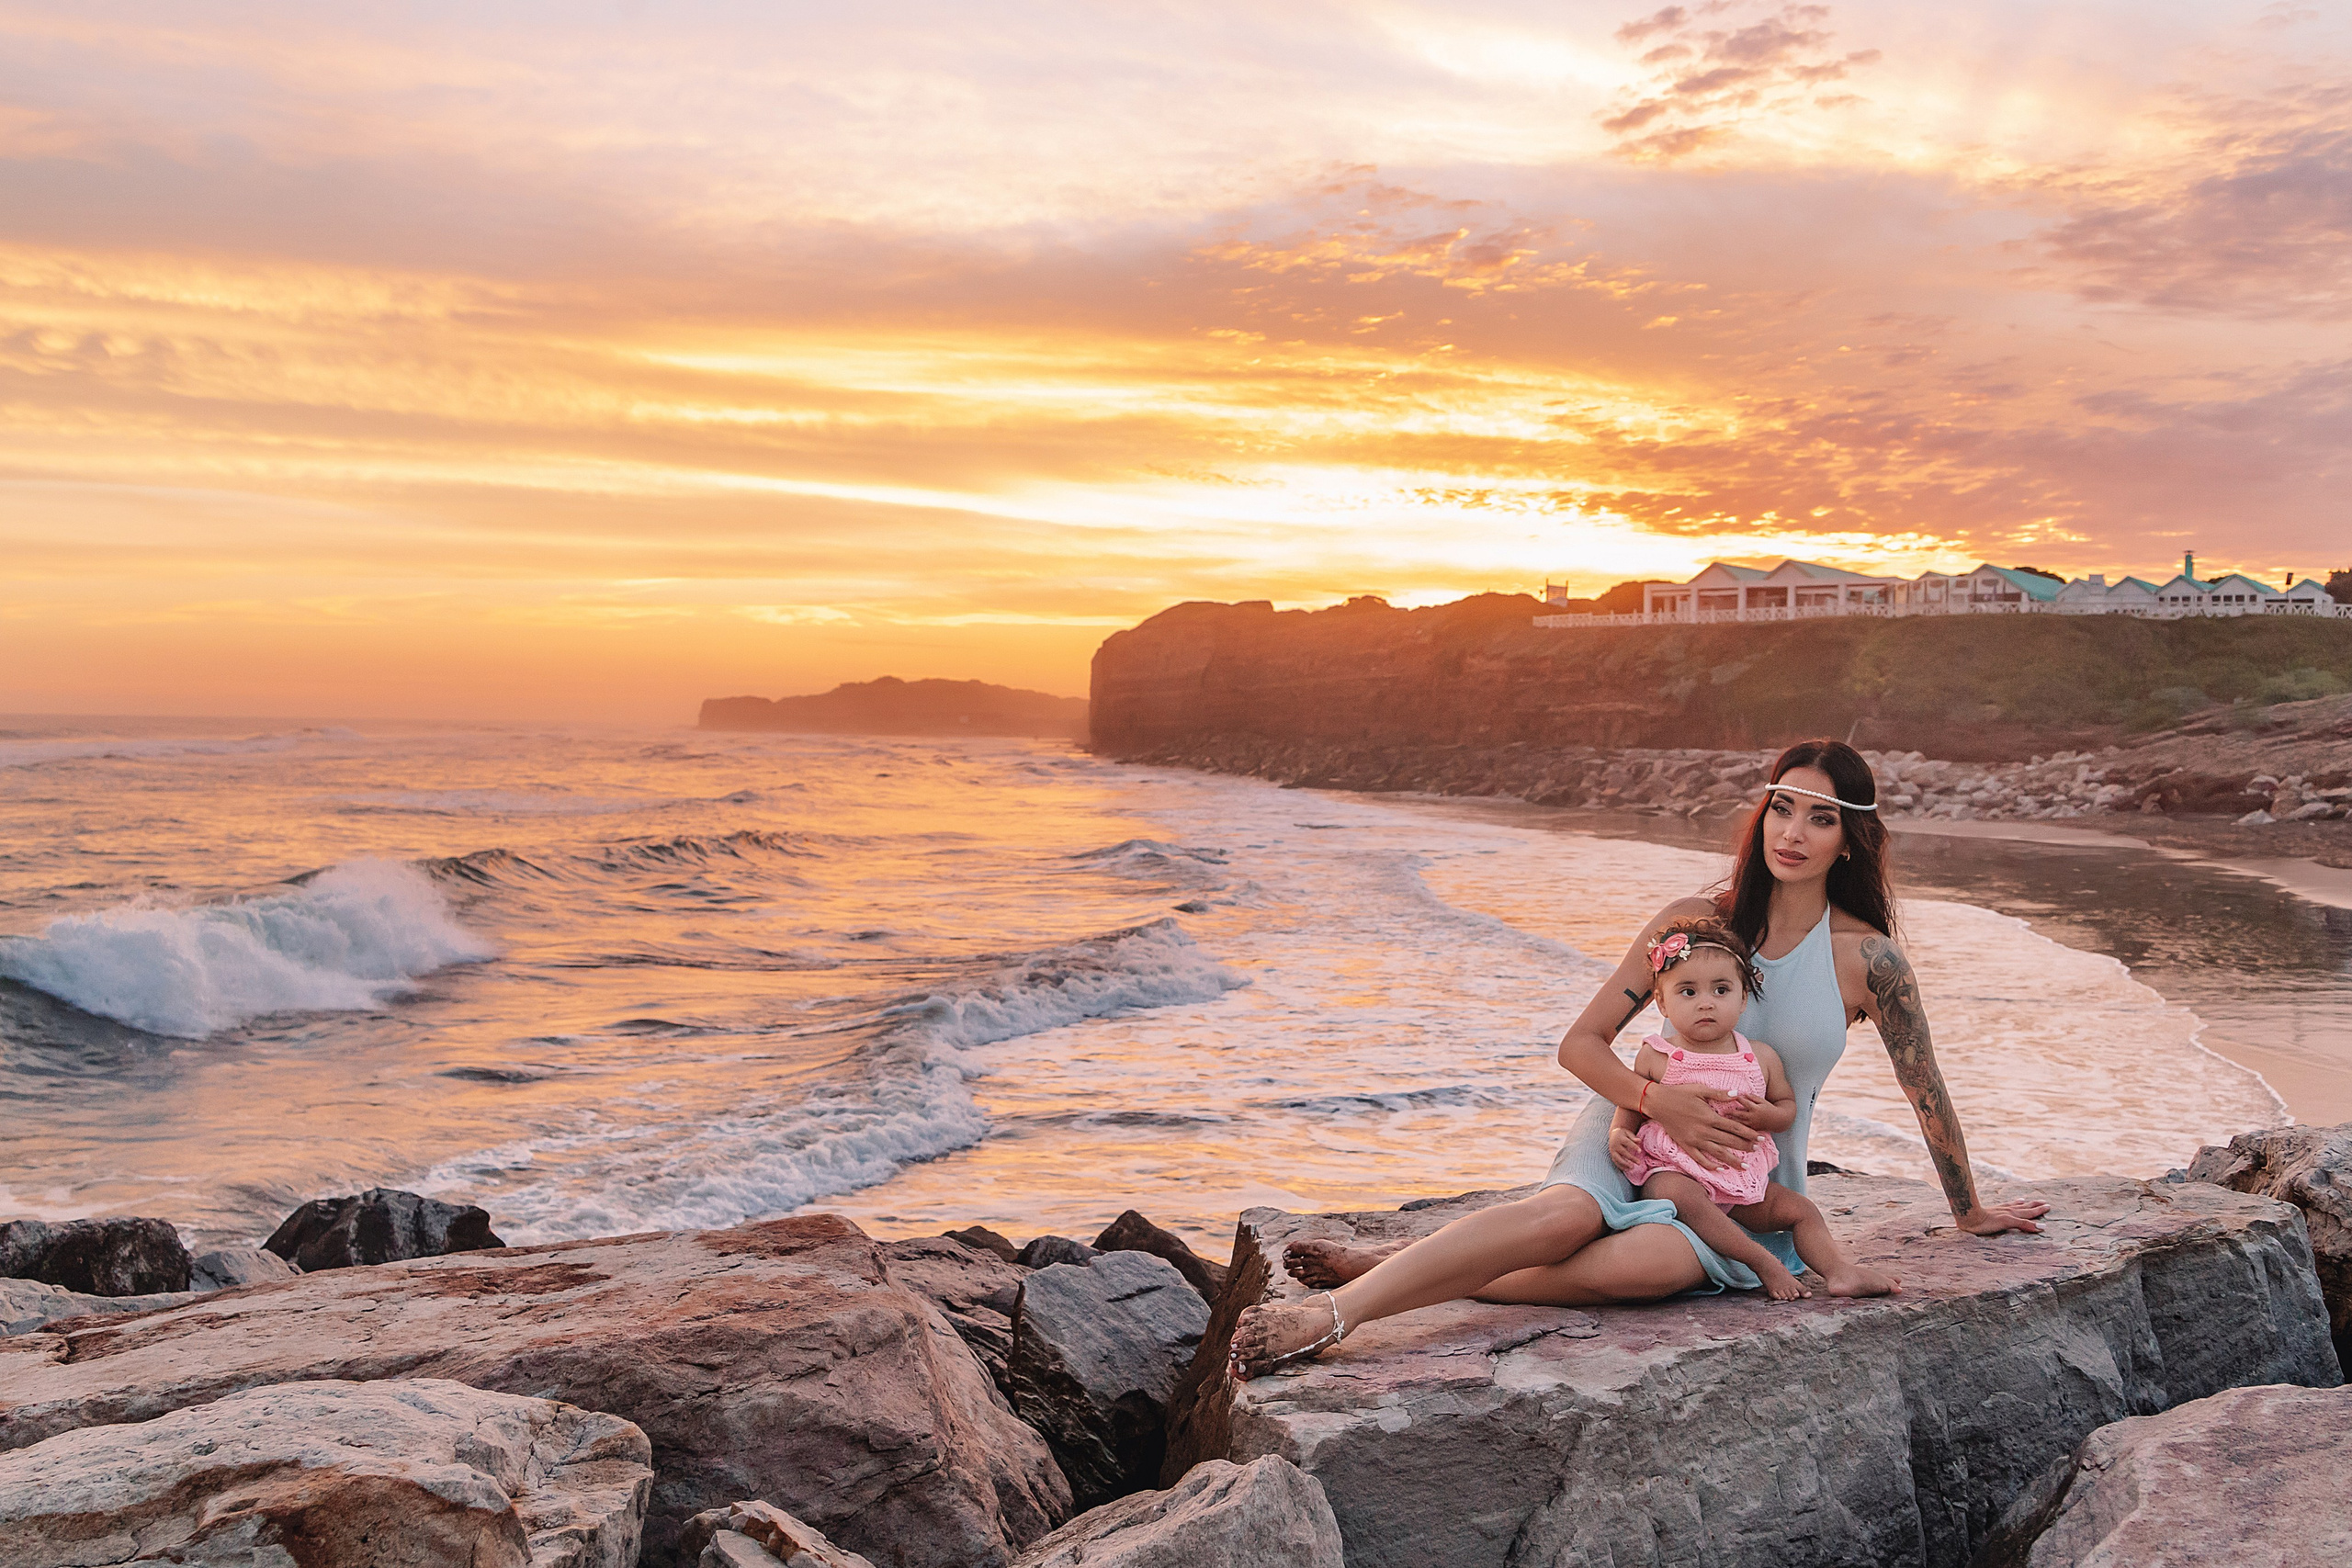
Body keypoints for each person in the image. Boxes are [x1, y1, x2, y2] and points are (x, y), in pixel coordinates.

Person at [1228, 738, 2047, 1379]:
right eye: (1783, 807)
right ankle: (1339, 1312)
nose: (1794, 833)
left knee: (1648, 1266)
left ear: (1850, 837)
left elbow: (1924, 1086)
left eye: (1821, 817)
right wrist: (1658, 1105)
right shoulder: (1692, 920)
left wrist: (1968, 1208)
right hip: (1629, 1125)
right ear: (1761, 813)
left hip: (1743, 1177)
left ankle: (1403, 1266)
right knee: (1566, 1218)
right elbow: (1580, 1044)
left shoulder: (1869, 961)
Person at [1610, 914, 1896, 1303]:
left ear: (1743, 998)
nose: (1706, 1003)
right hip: (1677, 1170)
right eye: (1688, 992)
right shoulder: (1657, 1056)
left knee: (1800, 1210)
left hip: (1742, 1177)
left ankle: (1838, 1270)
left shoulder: (1759, 1057)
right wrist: (1618, 1133)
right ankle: (1762, 1262)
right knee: (1676, 1191)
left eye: (1721, 990)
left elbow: (1786, 1107)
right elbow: (1632, 1101)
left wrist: (1767, 1116)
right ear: (1661, 1002)